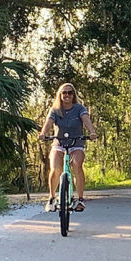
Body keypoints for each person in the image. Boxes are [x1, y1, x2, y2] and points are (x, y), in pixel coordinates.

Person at [39, 82, 97, 212]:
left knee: (77, 164)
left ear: (73, 95)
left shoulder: (79, 108)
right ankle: (52, 198)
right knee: (55, 168)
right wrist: (43, 134)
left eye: (70, 93)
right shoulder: (55, 109)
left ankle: (80, 199)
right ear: (60, 95)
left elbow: (86, 119)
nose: (67, 95)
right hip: (59, 143)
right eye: (64, 92)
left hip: (76, 143)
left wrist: (92, 132)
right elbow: (49, 123)